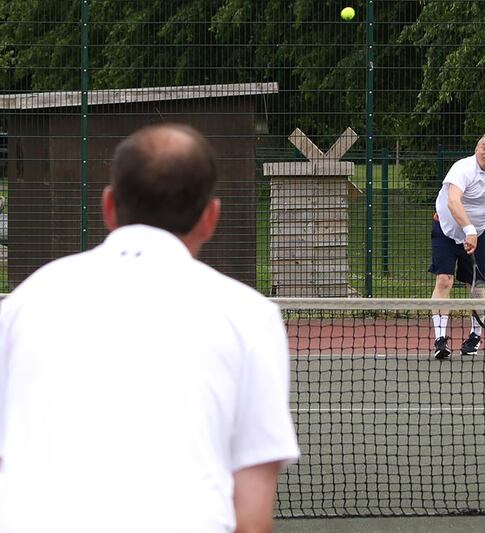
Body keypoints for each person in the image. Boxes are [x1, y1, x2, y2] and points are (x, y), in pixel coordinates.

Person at [0, 124, 300, 533]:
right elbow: (251, 515)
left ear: (108, 206)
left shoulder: (20, 305)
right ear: (211, 218)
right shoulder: (251, 316)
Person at [429, 133, 485, 359]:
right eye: (484, 147)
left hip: (478, 236)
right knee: (444, 279)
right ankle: (440, 339)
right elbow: (453, 200)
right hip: (447, 232)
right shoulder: (463, 168)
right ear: (477, 148)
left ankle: (475, 336)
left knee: (476, 287)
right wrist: (468, 230)